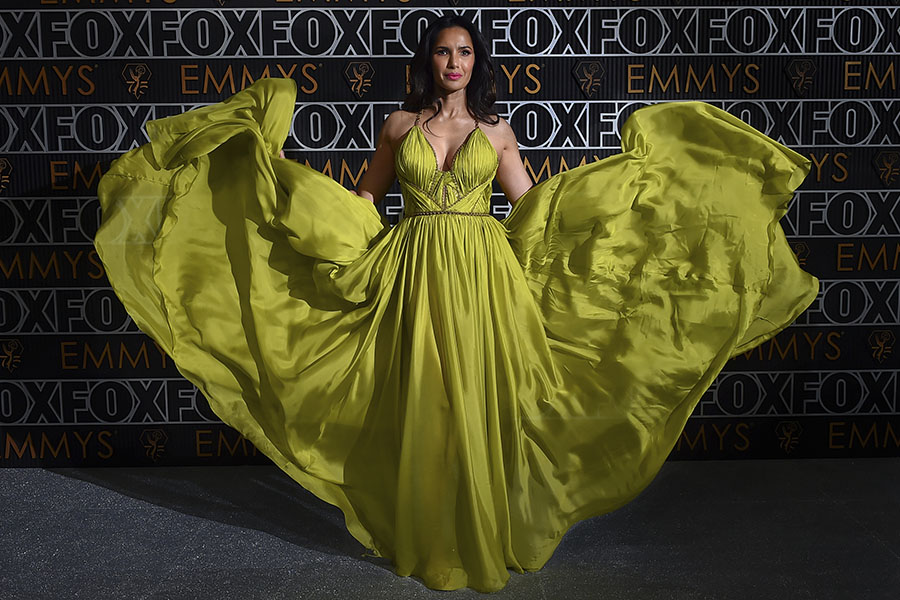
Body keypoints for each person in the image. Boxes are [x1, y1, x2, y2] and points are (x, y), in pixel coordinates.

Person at [95, 14, 818, 594]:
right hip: (412, 271)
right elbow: (365, 202)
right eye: (443, 52)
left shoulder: (497, 132)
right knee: (424, 399)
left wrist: (610, 199)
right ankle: (430, 533)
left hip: (485, 276)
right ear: (427, 61)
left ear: (478, 62)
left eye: (464, 52)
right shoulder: (397, 127)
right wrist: (286, 188)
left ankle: (482, 533)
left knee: (479, 398)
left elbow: (531, 207)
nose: (453, 63)